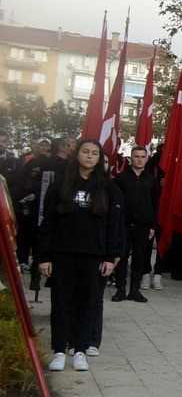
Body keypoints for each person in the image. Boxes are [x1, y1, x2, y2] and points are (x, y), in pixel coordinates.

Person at [36, 139, 124, 372]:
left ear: (99, 159)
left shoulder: (108, 189)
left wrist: (110, 257)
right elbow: (48, 223)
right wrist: (43, 257)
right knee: (61, 302)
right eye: (85, 151)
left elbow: (113, 226)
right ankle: (58, 350)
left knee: (88, 304)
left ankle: (81, 350)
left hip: (93, 256)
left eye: (94, 153)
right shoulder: (60, 185)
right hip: (62, 254)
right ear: (77, 155)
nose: (89, 156)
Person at [113, 145, 161, 301]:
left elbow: (155, 205)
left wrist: (153, 226)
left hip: (143, 226)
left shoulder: (151, 180)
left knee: (139, 258)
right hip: (123, 225)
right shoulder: (121, 178)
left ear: (146, 159)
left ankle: (134, 289)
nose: (139, 159)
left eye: (142, 157)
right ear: (131, 158)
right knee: (121, 257)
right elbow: (115, 202)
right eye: (136, 156)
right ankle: (120, 289)